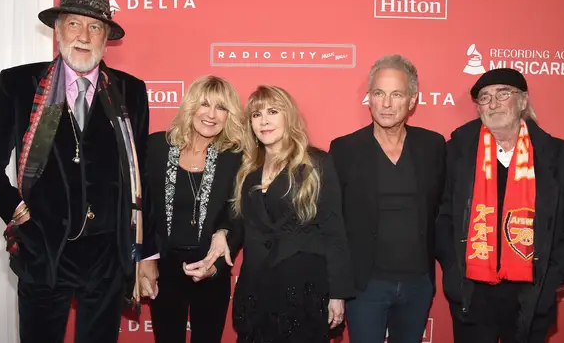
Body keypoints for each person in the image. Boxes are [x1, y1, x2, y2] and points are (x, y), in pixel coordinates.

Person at [0, 0, 149, 343]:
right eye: (74, 23)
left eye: (95, 26)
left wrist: (144, 252)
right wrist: (19, 215)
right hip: (43, 254)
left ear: (106, 36)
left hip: (107, 259)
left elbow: (140, 177)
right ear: (57, 29)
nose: (84, 35)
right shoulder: (20, 84)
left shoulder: (130, 90)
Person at [436, 68, 564, 343]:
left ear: (523, 101)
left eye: (503, 94)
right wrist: (454, 267)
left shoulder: (560, 157)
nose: (493, 103)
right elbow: (439, 216)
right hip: (472, 294)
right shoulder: (456, 154)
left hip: (531, 296)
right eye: (485, 97)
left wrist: (551, 275)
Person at [198, 85, 355, 343]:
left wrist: (337, 294)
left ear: (288, 117)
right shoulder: (247, 169)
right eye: (256, 115)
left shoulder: (316, 163)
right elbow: (238, 221)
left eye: (272, 111)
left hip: (303, 290)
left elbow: (334, 230)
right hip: (257, 289)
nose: (264, 121)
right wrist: (222, 232)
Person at [329, 54, 445, 343]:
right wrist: (336, 288)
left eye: (397, 94)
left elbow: (446, 210)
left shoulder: (433, 146)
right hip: (365, 286)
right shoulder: (344, 149)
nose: (387, 103)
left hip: (418, 283)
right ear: (369, 97)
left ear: (412, 100)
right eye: (379, 93)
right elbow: (332, 224)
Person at [137, 75, 245, 343]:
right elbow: (141, 208)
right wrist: (143, 259)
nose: (211, 115)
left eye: (221, 108)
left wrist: (220, 244)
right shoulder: (156, 147)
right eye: (204, 104)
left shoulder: (236, 157)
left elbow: (240, 213)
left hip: (211, 267)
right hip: (163, 268)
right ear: (190, 106)